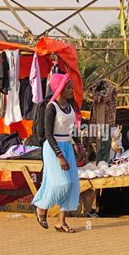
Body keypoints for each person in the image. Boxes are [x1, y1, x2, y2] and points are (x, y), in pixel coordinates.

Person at [32, 73, 81, 233]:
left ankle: (61, 221)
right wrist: (60, 156)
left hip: (67, 145)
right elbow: (48, 134)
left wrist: (79, 146)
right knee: (61, 183)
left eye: (71, 87)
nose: (70, 90)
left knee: (72, 184)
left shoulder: (70, 106)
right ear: (59, 89)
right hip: (53, 148)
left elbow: (73, 129)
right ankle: (41, 206)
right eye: (68, 87)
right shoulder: (50, 108)